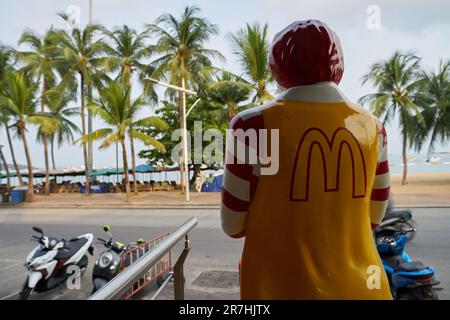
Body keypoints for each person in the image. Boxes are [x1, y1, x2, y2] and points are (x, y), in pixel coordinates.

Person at [220, 20, 392, 299]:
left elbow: (232, 225)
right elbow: (374, 216)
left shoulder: (252, 125)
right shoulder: (374, 128)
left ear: (277, 68)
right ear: (339, 66)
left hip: (278, 289)